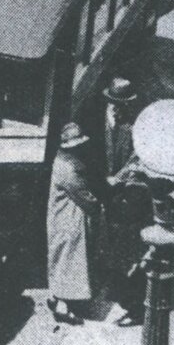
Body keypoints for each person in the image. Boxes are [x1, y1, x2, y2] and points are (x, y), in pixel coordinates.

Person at [45, 122, 105, 324]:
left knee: (61, 260)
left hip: (62, 219)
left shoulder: (62, 160)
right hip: (69, 221)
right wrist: (97, 205)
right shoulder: (69, 168)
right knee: (69, 262)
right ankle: (64, 307)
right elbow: (83, 195)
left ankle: (56, 298)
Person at [101, 79, 150, 327]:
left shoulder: (136, 128)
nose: (116, 109)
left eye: (121, 105)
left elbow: (135, 161)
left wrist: (118, 179)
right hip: (114, 198)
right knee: (114, 250)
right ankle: (120, 292)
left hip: (130, 200)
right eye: (113, 104)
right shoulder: (107, 119)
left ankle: (135, 307)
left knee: (129, 255)